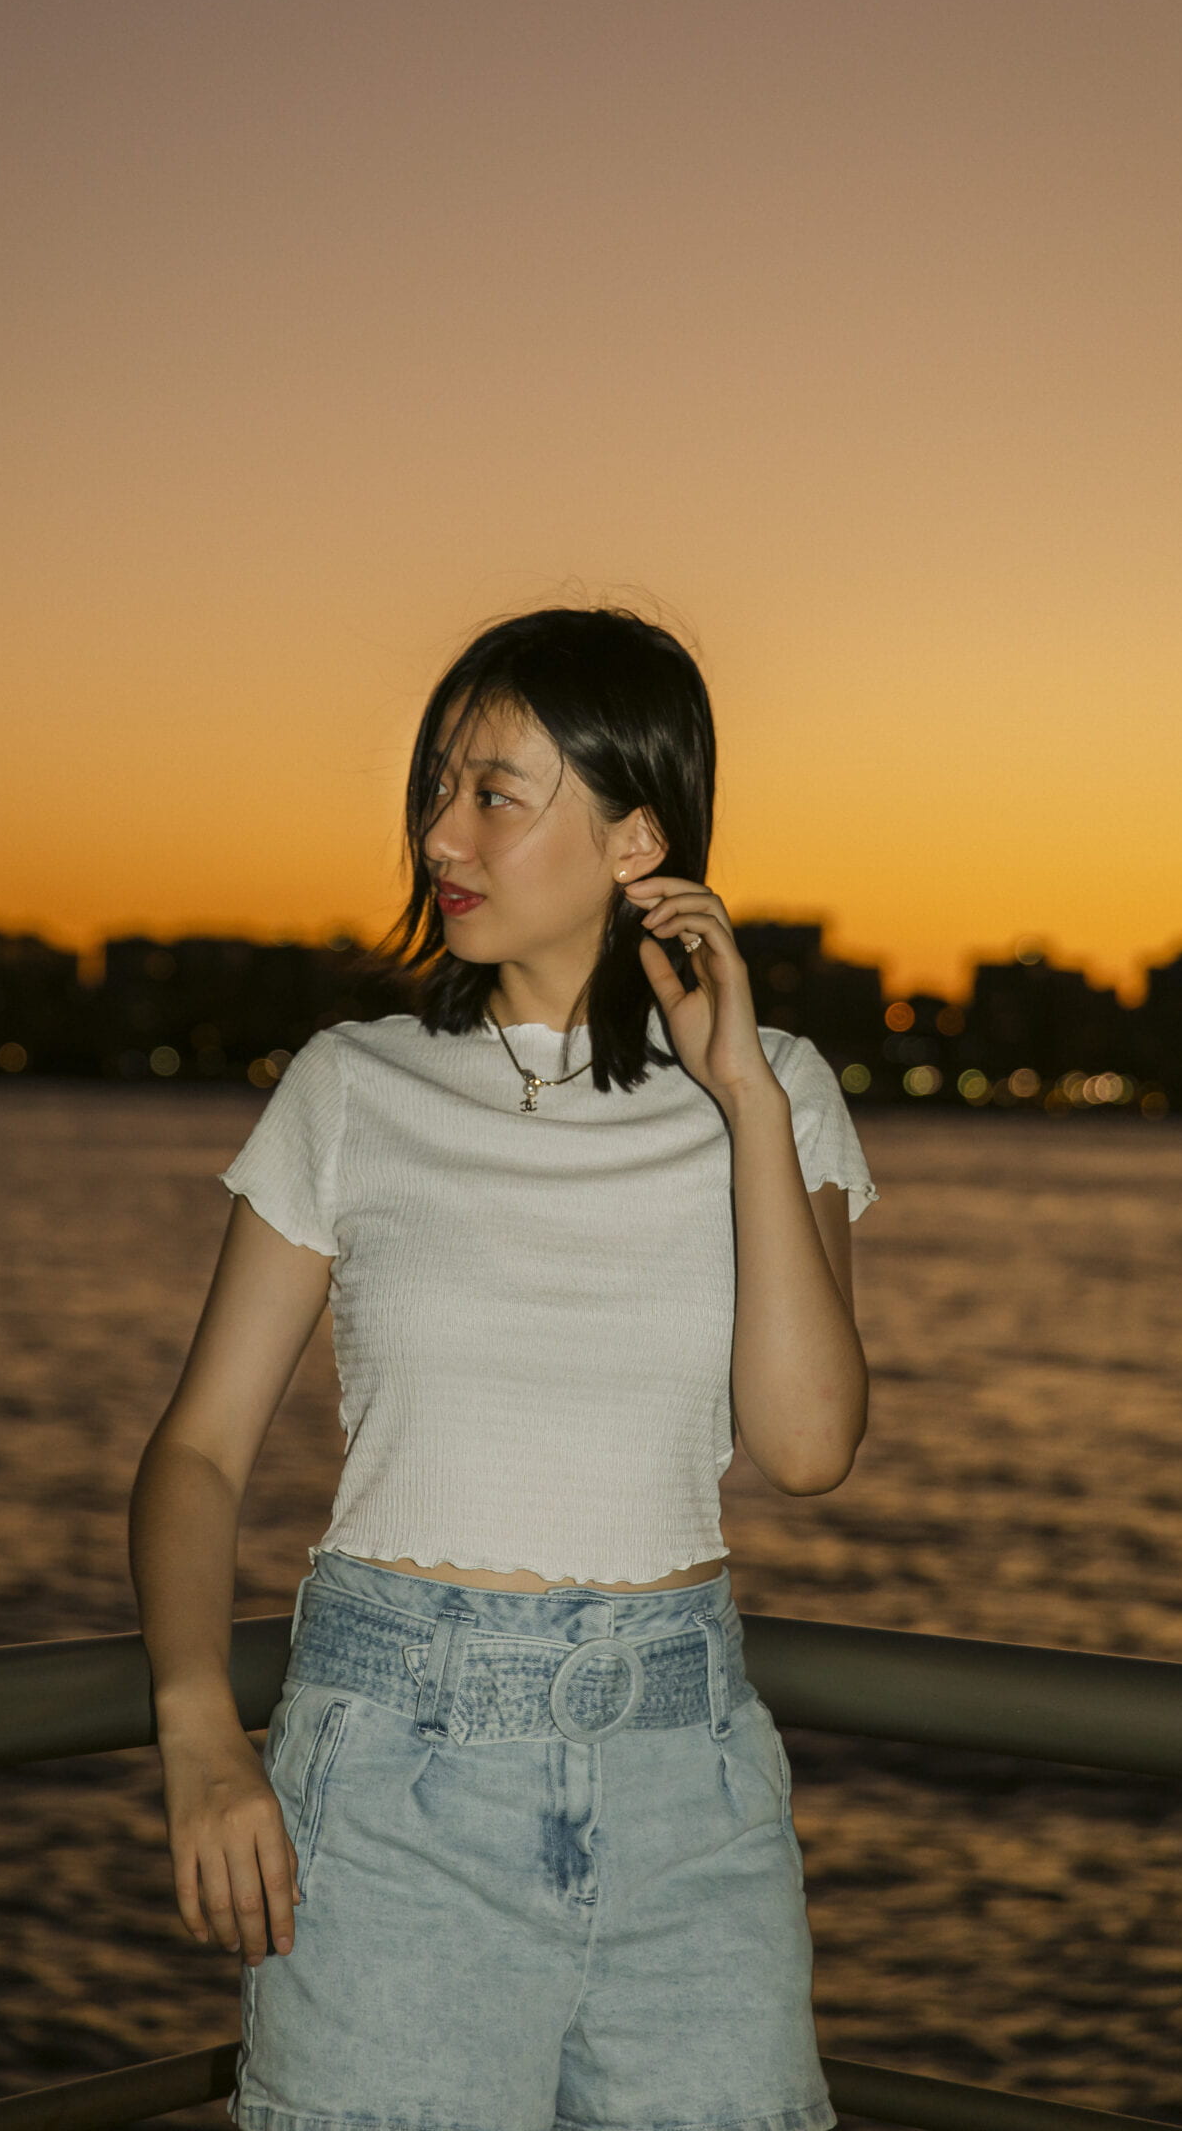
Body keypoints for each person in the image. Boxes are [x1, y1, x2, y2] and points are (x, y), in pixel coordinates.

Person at [128, 603, 879, 2131]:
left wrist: (736, 1092)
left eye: (493, 793)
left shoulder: (776, 1086)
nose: (440, 835)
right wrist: (201, 1730)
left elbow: (805, 1446)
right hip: (395, 1791)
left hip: (694, 1801)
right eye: (436, 788)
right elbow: (199, 1451)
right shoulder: (354, 1084)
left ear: (632, 838)